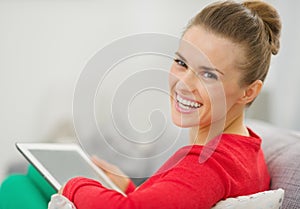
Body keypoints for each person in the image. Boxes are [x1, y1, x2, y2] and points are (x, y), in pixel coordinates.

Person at [59, 1, 281, 208]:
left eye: (208, 75)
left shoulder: (210, 163)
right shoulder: (244, 148)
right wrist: (126, 187)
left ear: (249, 92)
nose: (184, 84)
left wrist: (71, 184)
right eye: (181, 63)